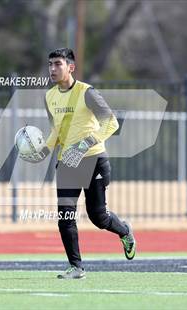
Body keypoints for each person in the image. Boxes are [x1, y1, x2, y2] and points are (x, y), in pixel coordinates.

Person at [44, 48, 136, 279]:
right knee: (65, 216)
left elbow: (111, 124)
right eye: (50, 65)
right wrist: (43, 149)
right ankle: (76, 267)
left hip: (94, 159)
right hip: (67, 163)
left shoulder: (87, 93)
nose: (52, 69)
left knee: (98, 217)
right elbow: (57, 130)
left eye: (58, 64)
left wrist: (84, 145)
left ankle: (124, 231)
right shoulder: (50, 96)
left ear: (71, 67)